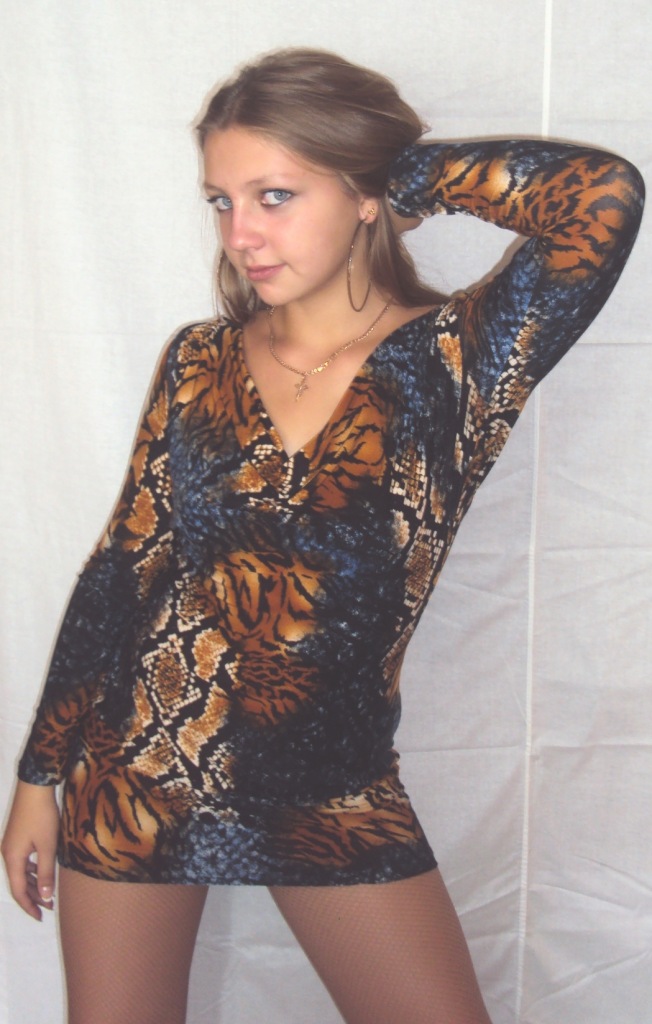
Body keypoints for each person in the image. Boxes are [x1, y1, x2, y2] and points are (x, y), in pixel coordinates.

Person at [1, 47, 644, 1024]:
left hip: (331, 786)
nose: (241, 234)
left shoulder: (454, 365)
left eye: (275, 195)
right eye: (222, 201)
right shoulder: (198, 361)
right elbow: (123, 566)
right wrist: (39, 777)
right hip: (137, 773)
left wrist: (400, 171)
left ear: (362, 194)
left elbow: (600, 195)